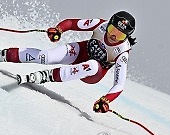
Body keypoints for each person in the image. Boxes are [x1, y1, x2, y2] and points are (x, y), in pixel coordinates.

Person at [0, 11, 136, 113]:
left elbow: (119, 84)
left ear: (127, 37)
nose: (113, 36)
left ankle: (47, 76)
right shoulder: (101, 24)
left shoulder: (122, 52)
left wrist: (106, 100)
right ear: (109, 24)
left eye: (120, 35)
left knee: (93, 65)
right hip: (81, 52)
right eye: (112, 30)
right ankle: (4, 55)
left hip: (92, 74)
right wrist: (59, 29)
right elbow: (71, 23)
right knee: (46, 57)